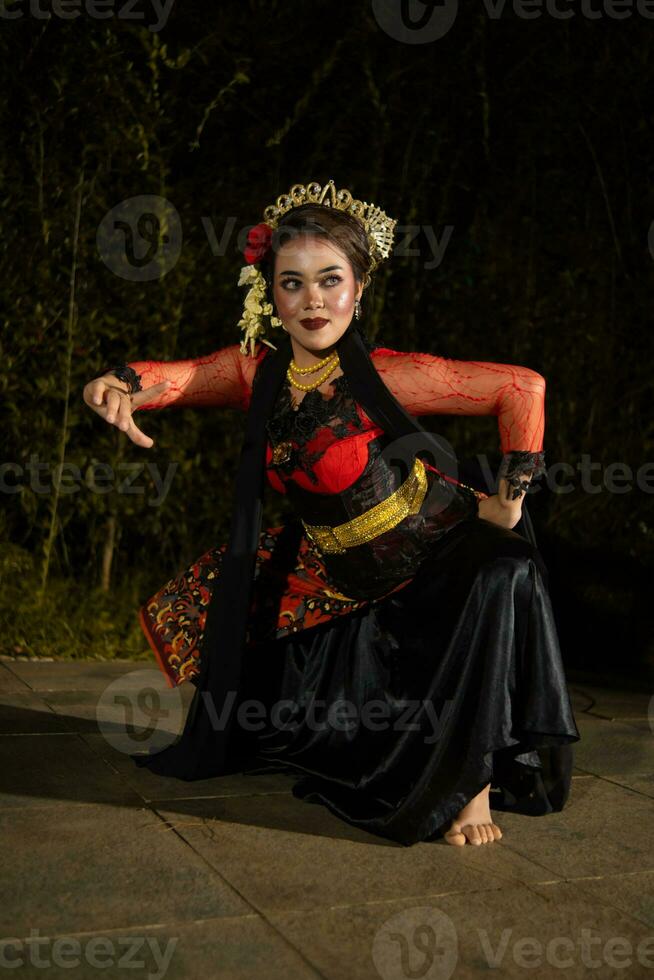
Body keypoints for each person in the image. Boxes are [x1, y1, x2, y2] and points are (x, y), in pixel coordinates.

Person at [82, 179, 580, 848]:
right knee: (216, 595)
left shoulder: (389, 371)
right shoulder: (255, 372)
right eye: (293, 282)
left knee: (499, 577)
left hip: (436, 546)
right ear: (270, 292)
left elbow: (523, 388)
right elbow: (179, 377)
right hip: (340, 561)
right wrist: (120, 381)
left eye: (330, 279)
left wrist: (508, 504)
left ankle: (474, 788)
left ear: (358, 289)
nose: (312, 299)